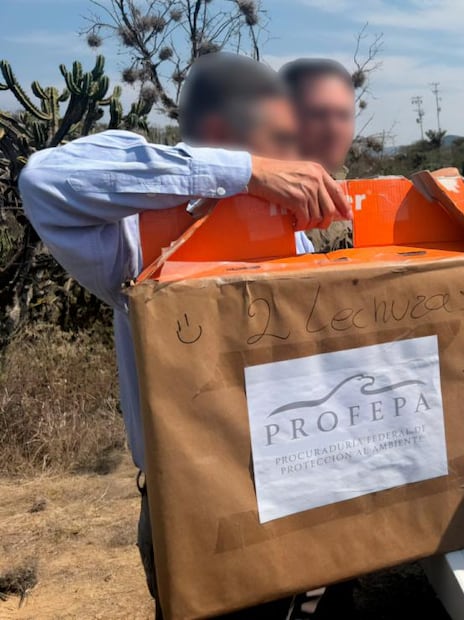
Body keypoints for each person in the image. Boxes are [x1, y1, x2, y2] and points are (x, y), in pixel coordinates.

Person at [19, 52, 351, 619]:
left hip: (305, 489)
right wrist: (246, 173)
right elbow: (44, 180)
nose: (293, 157)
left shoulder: (283, 229)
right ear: (221, 137)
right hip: (202, 513)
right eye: (278, 141)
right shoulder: (135, 235)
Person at [280, 58, 357, 177]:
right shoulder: (252, 182)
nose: (334, 130)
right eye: (318, 115)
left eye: (344, 116)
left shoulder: (353, 185)